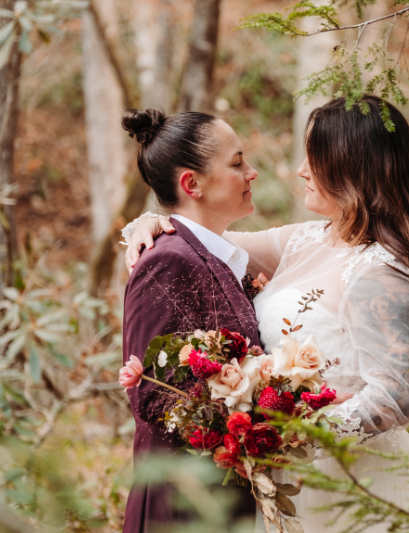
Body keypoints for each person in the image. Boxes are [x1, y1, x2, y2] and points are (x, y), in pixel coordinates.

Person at [125, 95, 409, 532]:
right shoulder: (305, 241)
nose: (300, 169)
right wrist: (148, 221)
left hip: (359, 485)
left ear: (351, 167)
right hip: (287, 484)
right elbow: (202, 240)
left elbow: (393, 399)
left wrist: (290, 431)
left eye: (313, 157)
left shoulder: (384, 271)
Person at [119, 108, 261, 532]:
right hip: (181, 503)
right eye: (237, 163)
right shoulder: (167, 262)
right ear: (191, 183)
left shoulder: (213, 255)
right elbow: (152, 397)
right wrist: (260, 405)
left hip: (219, 496)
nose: (251, 172)